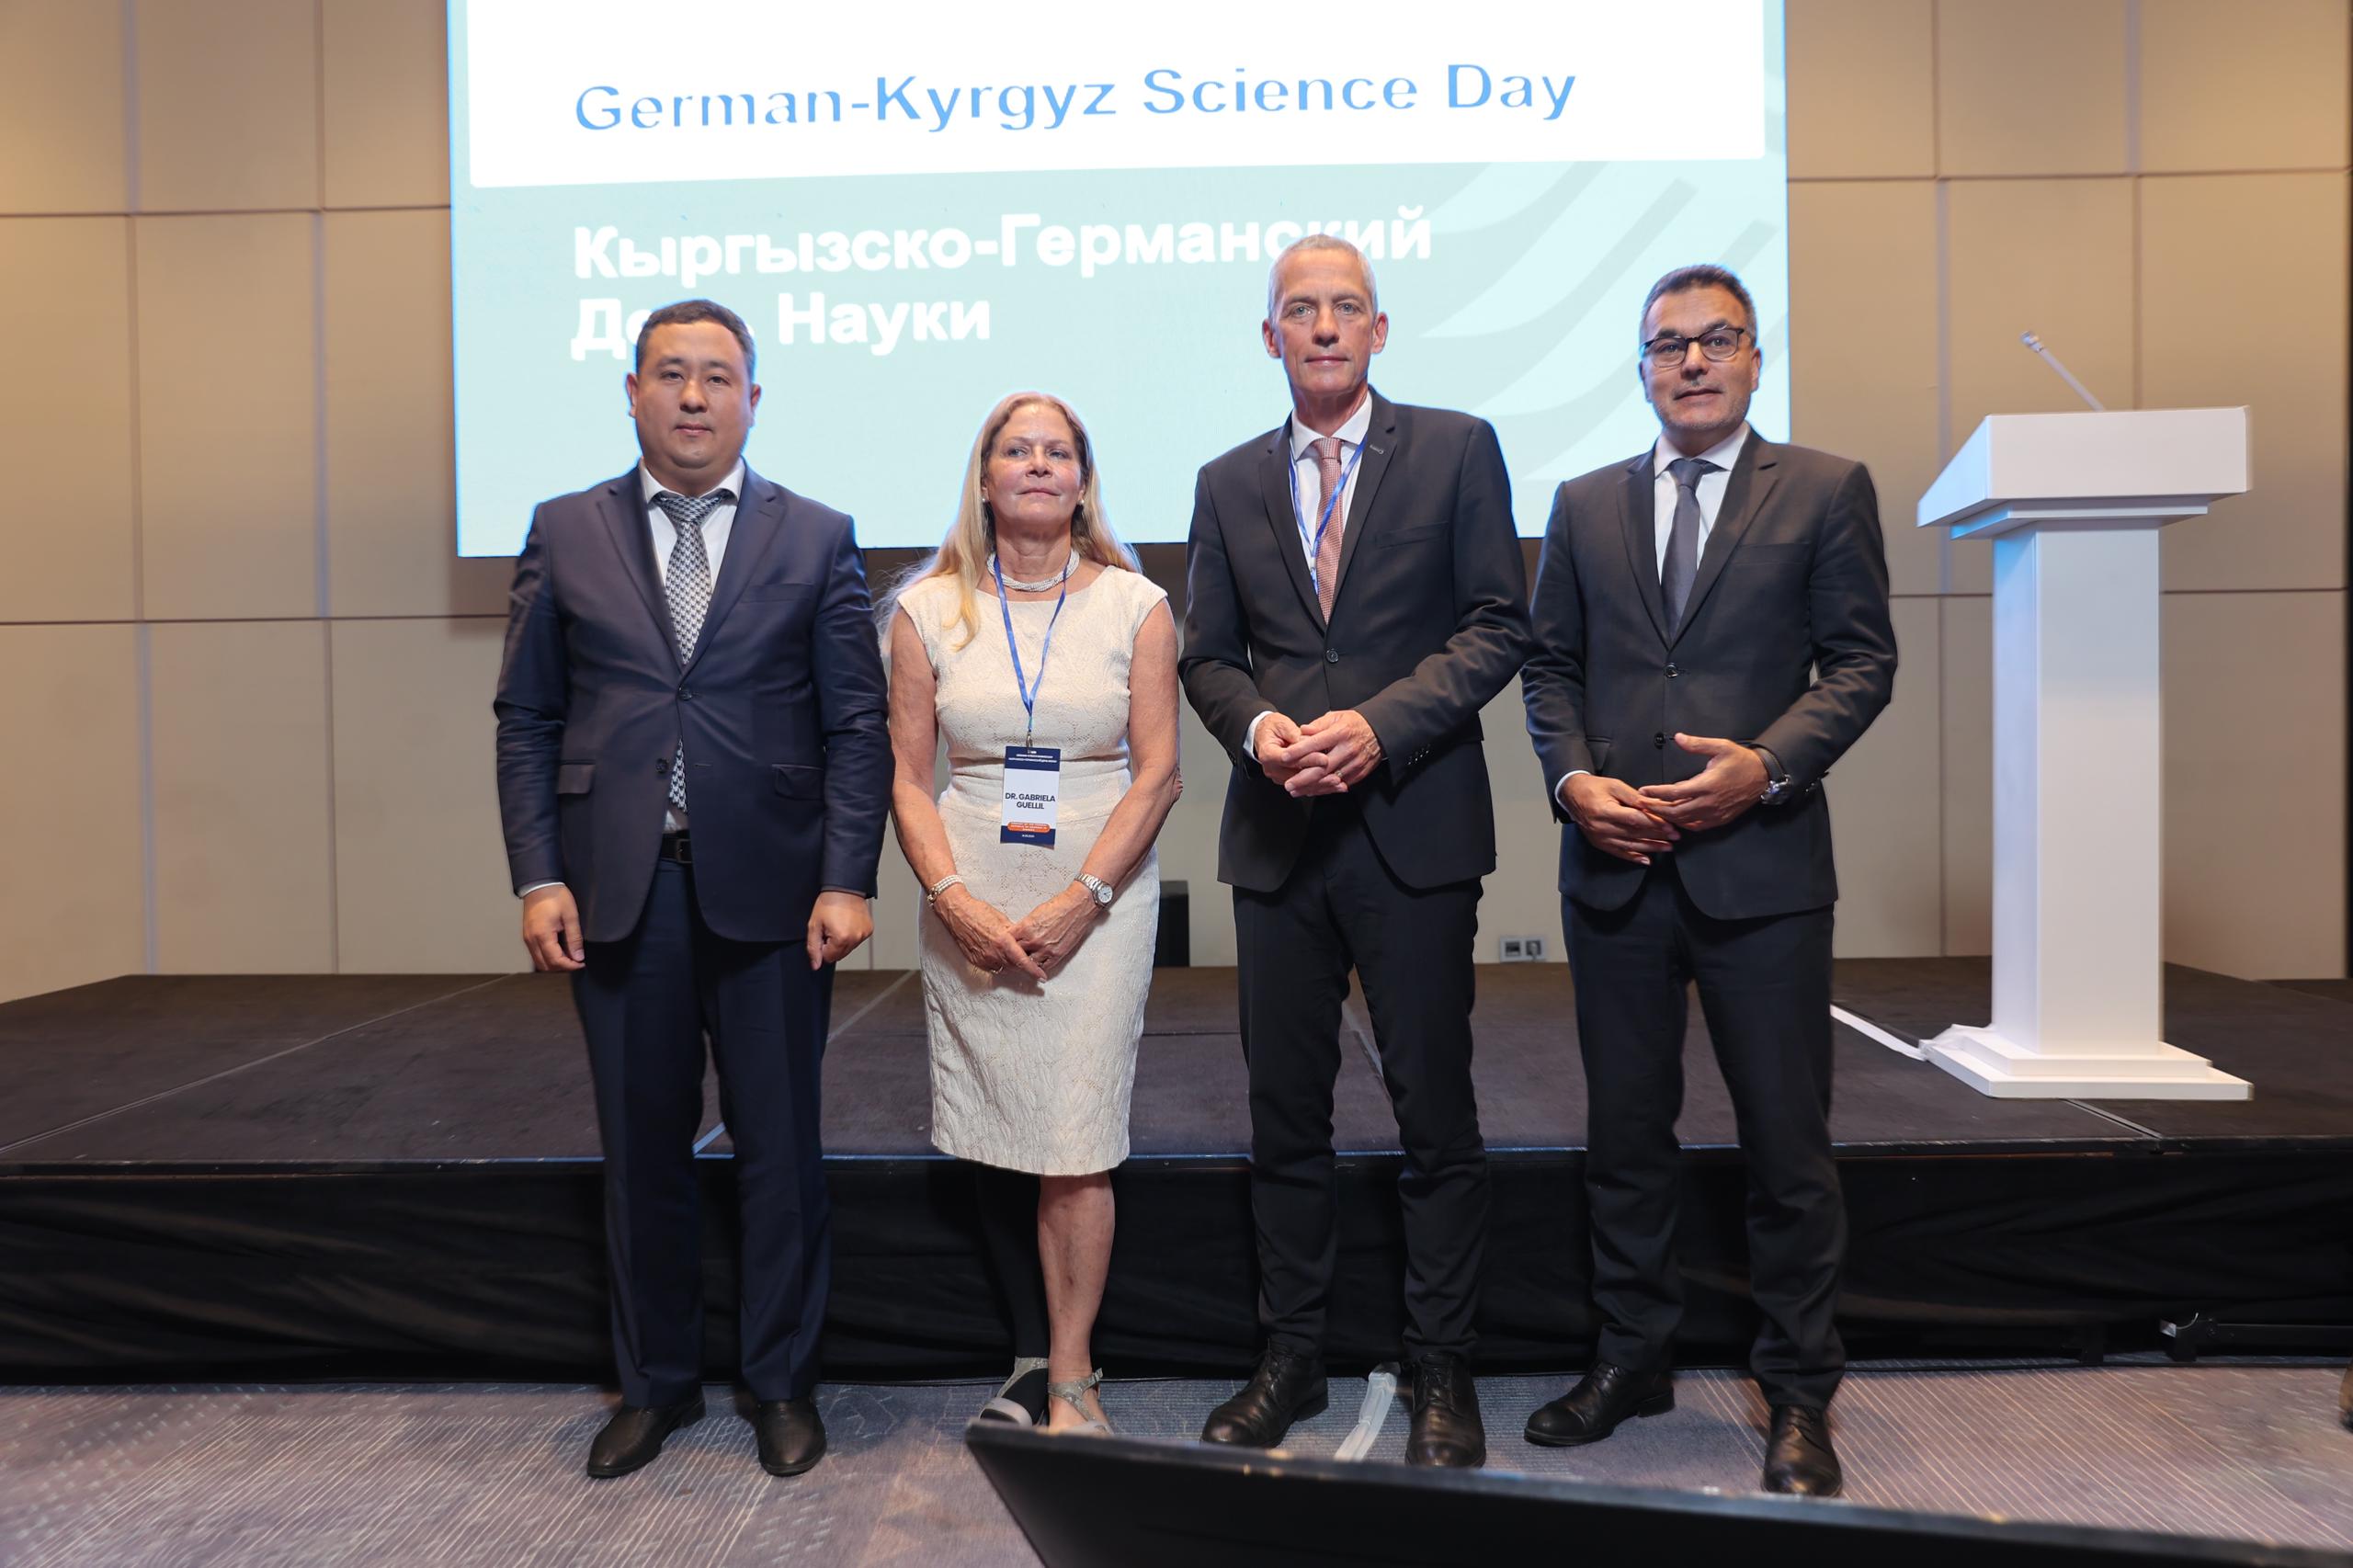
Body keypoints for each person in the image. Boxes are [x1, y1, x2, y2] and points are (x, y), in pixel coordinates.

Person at [493, 298, 890, 1480]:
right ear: (632, 392)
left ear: (752, 399)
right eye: (671, 373)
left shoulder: (816, 534)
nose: (694, 395)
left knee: (781, 1150)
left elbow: (856, 723)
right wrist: (537, 873)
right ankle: (655, 1383)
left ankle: (781, 1382)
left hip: (776, 892)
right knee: (641, 1150)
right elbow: (527, 717)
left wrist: (847, 876)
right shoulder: (563, 528)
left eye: (718, 375)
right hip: (619, 889)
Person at [1519, 264, 1896, 1496]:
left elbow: (1861, 662)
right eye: (1667, 343)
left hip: (1763, 869)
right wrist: (1572, 782)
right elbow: (1549, 669)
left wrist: (1767, 768)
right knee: (1625, 1137)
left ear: (1753, 359)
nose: (1691, 360)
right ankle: (1632, 1360)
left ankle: (1798, 1395)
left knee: (1787, 1145)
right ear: (1641, 369)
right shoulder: (1583, 502)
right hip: (1616, 865)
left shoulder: (1827, 488)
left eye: (1716, 339)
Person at [1180, 234, 1532, 1468]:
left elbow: (1496, 625)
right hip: (1279, 833)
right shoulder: (1226, 480)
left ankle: (1442, 1363)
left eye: (1345, 307)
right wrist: (1261, 728)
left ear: (1380, 330)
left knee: (1436, 1110)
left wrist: (1379, 726)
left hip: (1414, 822)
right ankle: (1291, 1357)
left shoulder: (1458, 448)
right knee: (1285, 1116)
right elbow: (1207, 655)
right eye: (1300, 309)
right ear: (1268, 336)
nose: (1323, 326)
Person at [884, 392, 1182, 1433]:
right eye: (1018, 449)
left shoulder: (1138, 604)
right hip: (970, 897)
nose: (1040, 465)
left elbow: (1158, 774)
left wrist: (1082, 899)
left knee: (1077, 1133)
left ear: (1084, 482)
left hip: (1099, 900)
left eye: (1059, 452)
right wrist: (951, 898)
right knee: (1001, 1126)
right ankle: (1029, 1353)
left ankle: (1070, 1378)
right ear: (984, 478)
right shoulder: (925, 610)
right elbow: (908, 778)